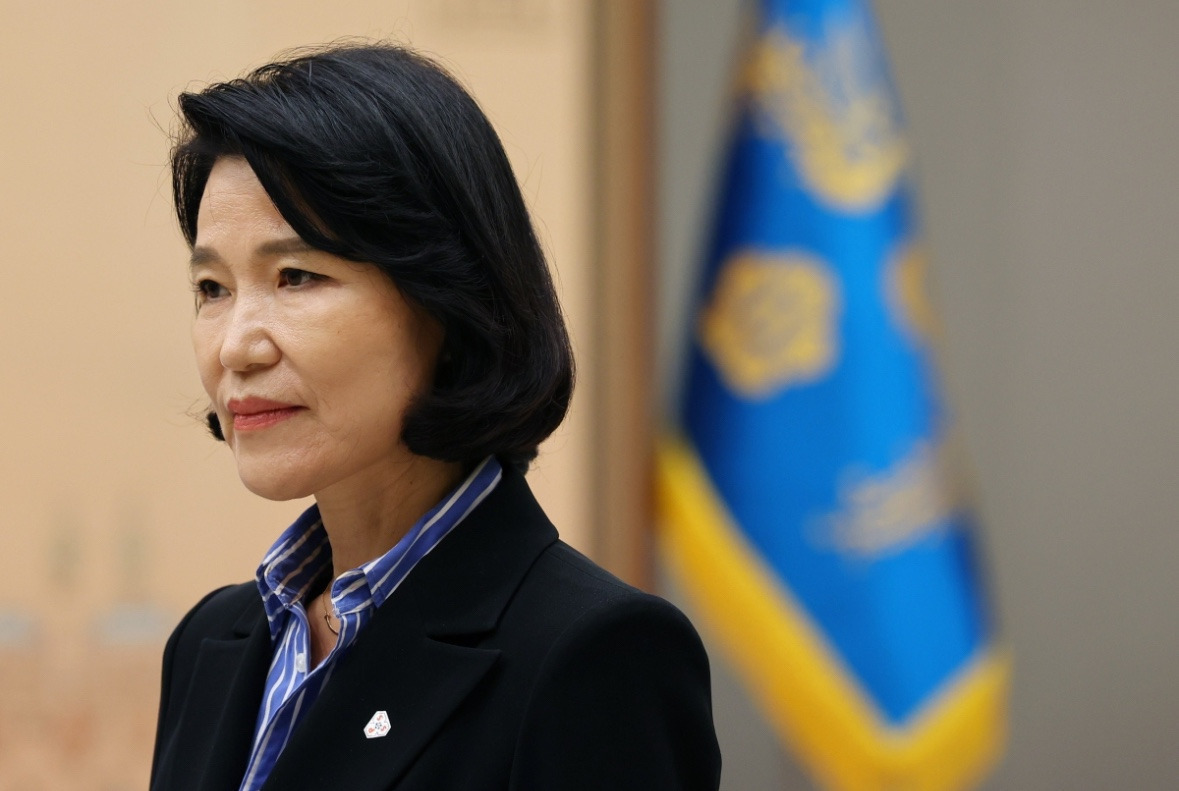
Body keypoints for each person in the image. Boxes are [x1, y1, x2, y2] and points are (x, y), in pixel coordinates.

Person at [149, 43, 721, 791]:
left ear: (447, 301)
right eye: (211, 287)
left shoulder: (595, 655)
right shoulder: (209, 644)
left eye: (296, 276)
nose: (235, 346)